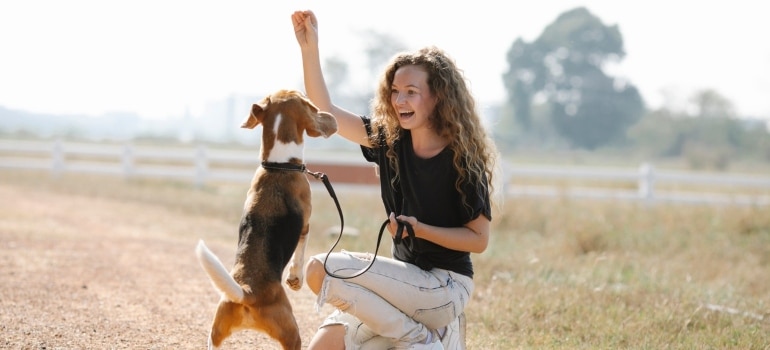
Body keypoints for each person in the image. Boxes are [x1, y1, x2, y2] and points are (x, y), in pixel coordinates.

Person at [291, 10, 497, 350]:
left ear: (438, 97)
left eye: (411, 92)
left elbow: (478, 239)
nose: (400, 100)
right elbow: (324, 108)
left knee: (320, 269)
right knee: (323, 347)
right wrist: (309, 49)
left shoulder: (463, 159)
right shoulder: (389, 140)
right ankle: (427, 338)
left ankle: (421, 337)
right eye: (396, 91)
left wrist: (421, 229)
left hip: (444, 288)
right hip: (401, 283)